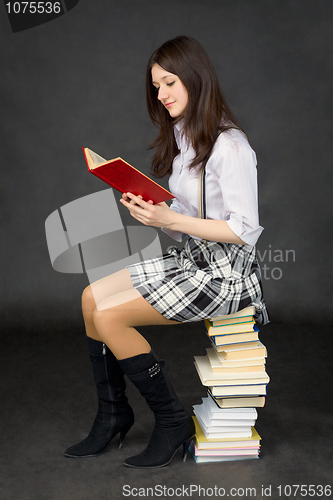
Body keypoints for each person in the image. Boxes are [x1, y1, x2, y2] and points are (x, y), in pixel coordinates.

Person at [63, 36, 269, 469]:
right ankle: (113, 414)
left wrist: (170, 221)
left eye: (170, 82)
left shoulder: (230, 146)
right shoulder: (185, 135)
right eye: (156, 86)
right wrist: (154, 211)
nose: (161, 95)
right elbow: (189, 216)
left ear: (195, 78)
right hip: (191, 259)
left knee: (109, 315)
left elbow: (243, 231)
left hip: (225, 275)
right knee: (90, 298)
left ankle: (171, 420)